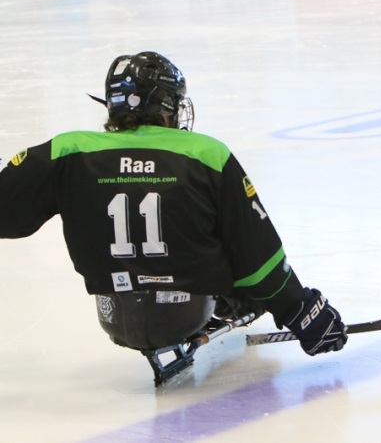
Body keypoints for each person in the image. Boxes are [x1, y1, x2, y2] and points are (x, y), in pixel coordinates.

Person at [0, 51, 347, 358]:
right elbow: (257, 254)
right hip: (185, 313)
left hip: (113, 313)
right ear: (165, 107)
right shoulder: (206, 153)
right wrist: (301, 309)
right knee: (232, 241)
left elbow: (7, 214)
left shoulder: (67, 151)